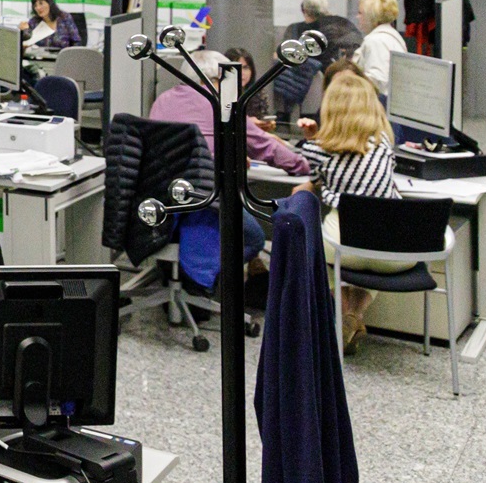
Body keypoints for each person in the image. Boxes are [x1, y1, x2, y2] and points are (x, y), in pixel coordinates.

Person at [149, 49, 308, 262]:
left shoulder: (163, 100)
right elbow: (265, 147)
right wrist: (303, 166)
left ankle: (199, 274)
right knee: (254, 239)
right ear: (217, 78)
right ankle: (217, 282)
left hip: (164, 199)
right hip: (207, 196)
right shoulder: (220, 104)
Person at [294, 71, 404, 353]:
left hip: (344, 246)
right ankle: (356, 315)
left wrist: (311, 139)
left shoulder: (318, 149)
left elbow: (318, 174)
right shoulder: (383, 143)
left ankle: (343, 314)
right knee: (373, 246)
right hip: (393, 253)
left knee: (323, 249)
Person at [273, 0, 362, 119]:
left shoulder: (297, 30)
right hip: (351, 80)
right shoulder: (346, 24)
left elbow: (283, 55)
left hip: (319, 89)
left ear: (305, 11)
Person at [353, 0, 407, 97]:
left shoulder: (375, 41)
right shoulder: (393, 36)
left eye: (360, 13)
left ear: (371, 17)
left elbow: (378, 80)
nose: (357, 17)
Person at [224, 46, 276, 130]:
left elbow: (262, 119)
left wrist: (266, 125)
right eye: (236, 68)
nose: (242, 73)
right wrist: (247, 123)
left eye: (245, 68)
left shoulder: (257, 93)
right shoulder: (218, 94)